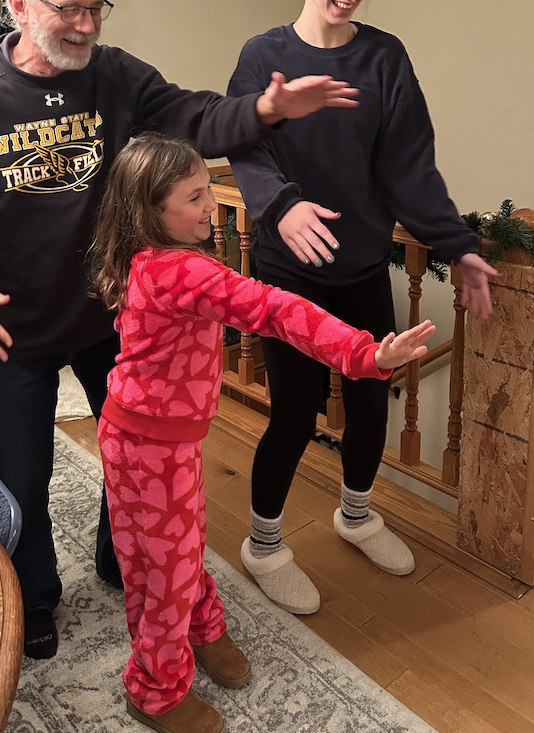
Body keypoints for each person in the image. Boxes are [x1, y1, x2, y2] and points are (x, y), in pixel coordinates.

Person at [0, 0, 365, 659]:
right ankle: (34, 599)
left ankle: (126, 562)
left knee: (137, 463)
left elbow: (196, 117)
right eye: (71, 11)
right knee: (18, 481)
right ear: (19, 4)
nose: (88, 26)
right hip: (14, 328)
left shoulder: (115, 76)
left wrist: (267, 110)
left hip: (112, 315)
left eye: (97, 9)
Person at [90, 132, 435, 733]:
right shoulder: (178, 272)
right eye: (195, 197)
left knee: (177, 548)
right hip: (147, 445)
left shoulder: (155, 257)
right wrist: (361, 353)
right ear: (151, 210)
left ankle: (201, 629)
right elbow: (273, 308)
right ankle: (155, 690)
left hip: (156, 438)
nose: (209, 205)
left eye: (207, 191)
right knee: (159, 570)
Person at [226, 0, 497, 615]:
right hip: (289, 273)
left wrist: (458, 245)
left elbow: (409, 164)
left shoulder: (385, 57)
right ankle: (263, 545)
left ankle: (355, 515)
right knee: (293, 413)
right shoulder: (263, 55)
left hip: (363, 266)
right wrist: (281, 204)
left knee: (374, 399)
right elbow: (245, 144)